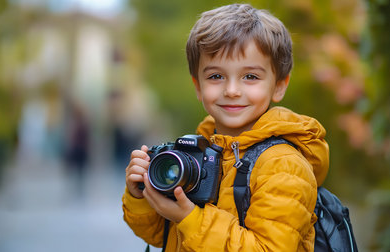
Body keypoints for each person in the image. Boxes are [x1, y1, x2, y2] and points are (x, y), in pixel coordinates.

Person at [123, 3, 329, 251]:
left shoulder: (284, 166)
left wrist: (190, 218)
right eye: (216, 76)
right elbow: (161, 235)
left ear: (279, 85)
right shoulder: (198, 152)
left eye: (250, 76)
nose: (232, 91)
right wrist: (142, 195)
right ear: (198, 86)